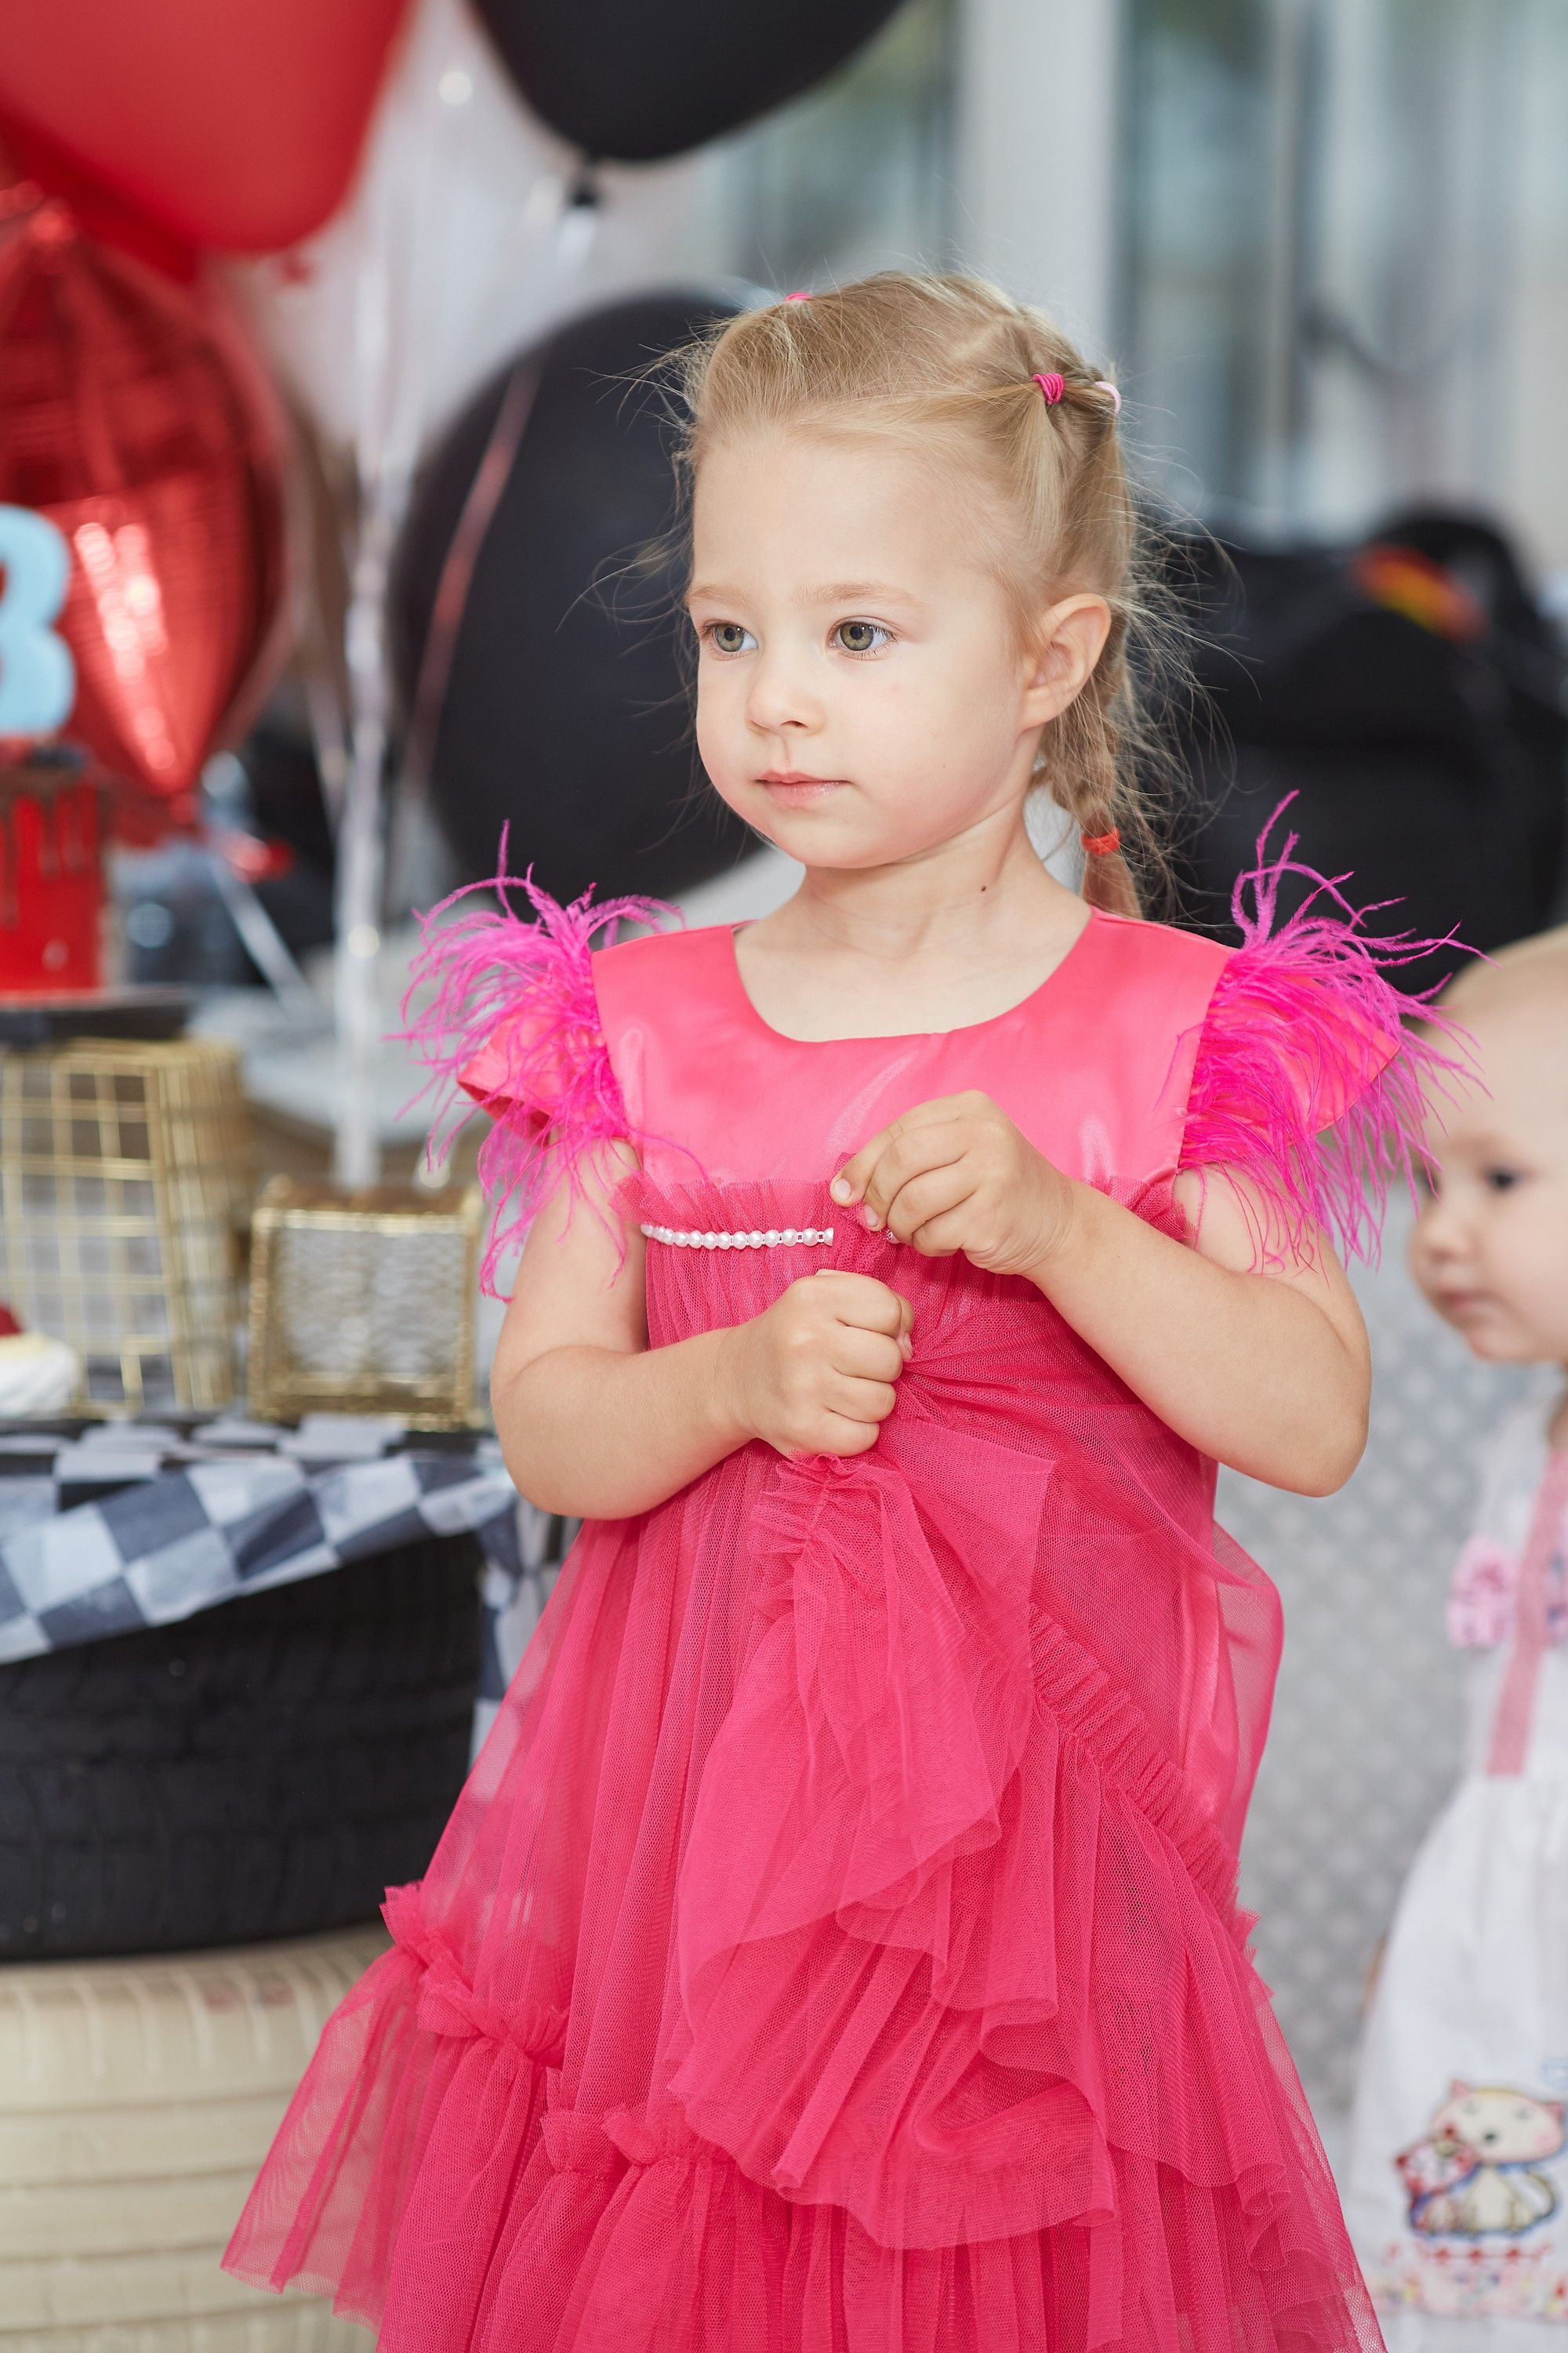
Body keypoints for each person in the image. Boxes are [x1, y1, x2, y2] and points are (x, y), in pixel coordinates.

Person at [224, 273, 1436, 2351]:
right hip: (687, 1927)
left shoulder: (1165, 1037)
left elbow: (1312, 1412)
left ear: (1052, 660)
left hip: (1029, 1964)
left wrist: (1067, 1230)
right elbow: (550, 1425)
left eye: (859, 635)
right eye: (730, 632)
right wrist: (734, 1380)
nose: (775, 698)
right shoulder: (644, 1030)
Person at [1347, 930, 1568, 2347]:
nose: (1438, 1231)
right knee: (1468, 2270)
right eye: (1429, 1182)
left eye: (1499, 1180)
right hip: (1496, 1922)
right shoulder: (1520, 1448)